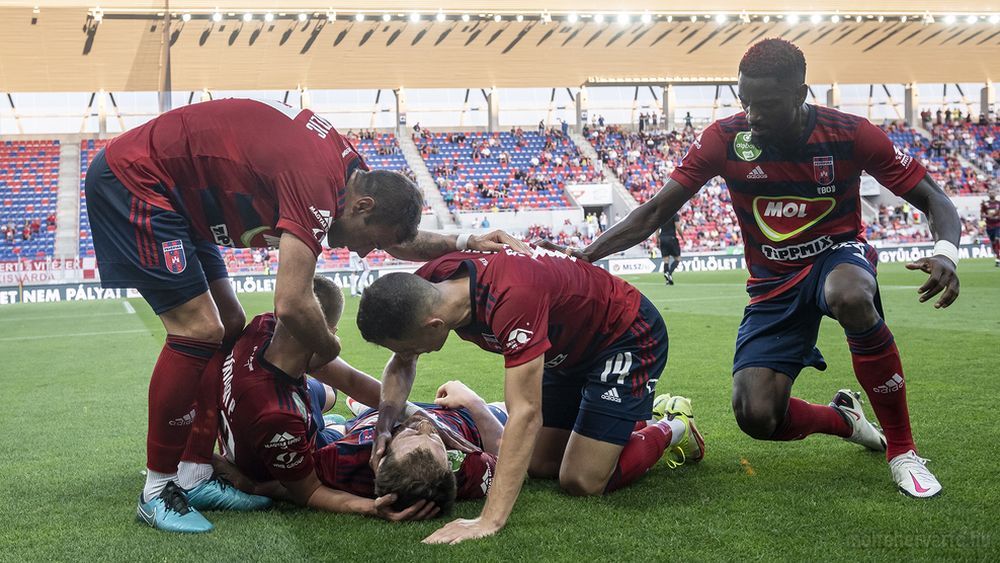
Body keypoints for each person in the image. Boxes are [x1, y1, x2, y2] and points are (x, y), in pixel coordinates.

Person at [84, 98, 529, 533]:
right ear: (362, 207)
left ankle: (195, 472)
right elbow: (292, 303)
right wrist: (328, 346)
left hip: (179, 196)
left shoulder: (353, 180)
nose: (363, 253)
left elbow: (396, 238)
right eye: (370, 241)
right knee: (198, 330)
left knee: (230, 324)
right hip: (138, 180)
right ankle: (158, 489)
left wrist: (464, 241)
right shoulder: (317, 186)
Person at [546, 39, 961, 498]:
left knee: (850, 294)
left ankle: (903, 451)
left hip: (836, 256)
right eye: (745, 102)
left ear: (800, 94)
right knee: (757, 416)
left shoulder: (850, 133)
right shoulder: (725, 139)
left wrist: (945, 251)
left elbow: (933, 197)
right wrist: (586, 255)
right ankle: (843, 419)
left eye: (766, 104)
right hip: (772, 284)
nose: (753, 115)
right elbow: (654, 211)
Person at [356, 246, 705, 544]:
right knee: (538, 464)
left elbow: (525, 413)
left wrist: (489, 520)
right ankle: (624, 421)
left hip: (623, 334)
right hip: (562, 350)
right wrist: (385, 424)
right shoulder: (427, 286)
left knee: (581, 480)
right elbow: (401, 364)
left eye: (408, 347)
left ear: (433, 324)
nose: (407, 354)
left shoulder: (511, 296)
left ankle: (674, 425)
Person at [213, 378, 507, 516]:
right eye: (436, 442)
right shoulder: (467, 469)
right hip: (461, 416)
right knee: (509, 414)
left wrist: (250, 485)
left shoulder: (343, 463)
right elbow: (506, 454)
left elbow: (292, 487)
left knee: (324, 410)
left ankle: (349, 419)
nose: (426, 427)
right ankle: (357, 414)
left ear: (379, 458)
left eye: (412, 434)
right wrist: (473, 400)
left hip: (363, 428)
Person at [658, 213, 683, 285]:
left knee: (666, 260)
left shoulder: (661, 215)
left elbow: (657, 229)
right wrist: (682, 237)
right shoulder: (674, 214)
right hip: (671, 238)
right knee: (678, 258)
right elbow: (678, 227)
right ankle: (669, 273)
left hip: (662, 238)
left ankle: (667, 280)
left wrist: (657, 239)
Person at [981, 190, 1000, 266]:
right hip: (989, 226)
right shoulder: (985, 204)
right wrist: (988, 216)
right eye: (990, 193)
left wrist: (996, 217)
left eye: (993, 192)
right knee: (993, 243)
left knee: (997, 239)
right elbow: (982, 215)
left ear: (996, 194)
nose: (992, 194)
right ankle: (997, 256)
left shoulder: (998, 203)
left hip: (998, 225)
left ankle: (998, 258)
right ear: (988, 194)